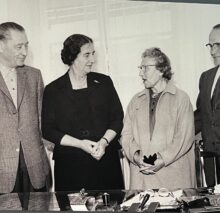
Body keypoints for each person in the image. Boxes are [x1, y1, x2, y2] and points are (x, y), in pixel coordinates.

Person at [0, 22, 49, 199]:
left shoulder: (34, 75)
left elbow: (43, 119)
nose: (25, 52)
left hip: (34, 168)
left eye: (26, 45)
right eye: (19, 46)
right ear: (0, 46)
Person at [42, 34, 124, 191]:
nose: (92, 59)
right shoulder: (53, 90)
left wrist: (104, 142)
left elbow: (117, 118)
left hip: (106, 161)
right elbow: (48, 130)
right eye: (87, 55)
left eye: (93, 54)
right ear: (72, 57)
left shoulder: (104, 82)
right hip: (71, 167)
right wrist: (80, 144)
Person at [121, 47, 196, 190]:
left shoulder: (181, 99)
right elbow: (126, 135)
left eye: (145, 68)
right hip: (141, 180)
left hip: (173, 179)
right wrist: (136, 156)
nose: (140, 73)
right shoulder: (135, 101)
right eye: (140, 68)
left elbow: (184, 138)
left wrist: (162, 159)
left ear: (161, 70)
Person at [195, 24, 220, 187]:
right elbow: (200, 115)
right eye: (210, 45)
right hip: (211, 156)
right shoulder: (206, 77)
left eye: (217, 45)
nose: (212, 51)